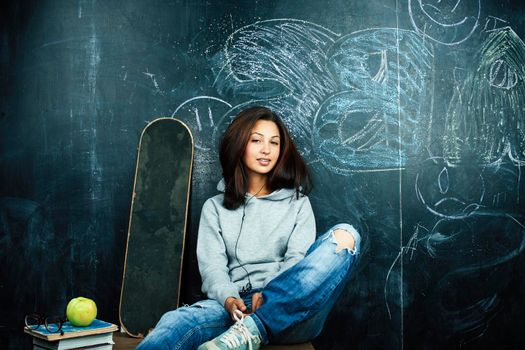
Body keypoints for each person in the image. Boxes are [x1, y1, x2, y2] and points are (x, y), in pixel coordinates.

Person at [137, 106, 361, 350]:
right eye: (256, 140)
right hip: (235, 307)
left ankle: (253, 330)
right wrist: (229, 299)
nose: (266, 150)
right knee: (175, 321)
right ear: (239, 144)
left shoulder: (298, 203)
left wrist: (270, 295)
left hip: (291, 308)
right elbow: (213, 269)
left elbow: (297, 260)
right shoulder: (215, 207)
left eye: (274, 143)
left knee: (346, 236)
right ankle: (249, 329)